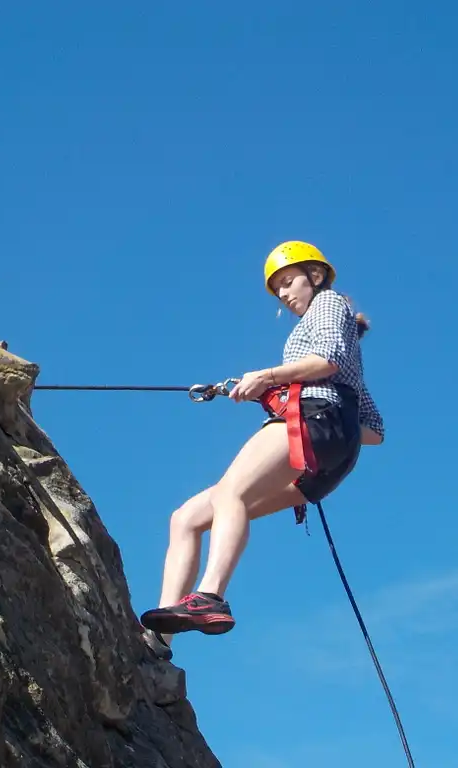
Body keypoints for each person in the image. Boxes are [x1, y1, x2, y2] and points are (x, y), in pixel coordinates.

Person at [139, 241, 384, 660]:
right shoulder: (346, 343)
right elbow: (373, 430)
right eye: (279, 289)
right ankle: (159, 639)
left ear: (317, 276)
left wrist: (272, 380)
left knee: (230, 493)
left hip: (314, 422)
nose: (286, 294)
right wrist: (283, 397)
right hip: (331, 455)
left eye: (289, 282)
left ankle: (210, 597)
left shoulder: (327, 305)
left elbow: (324, 360)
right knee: (188, 518)